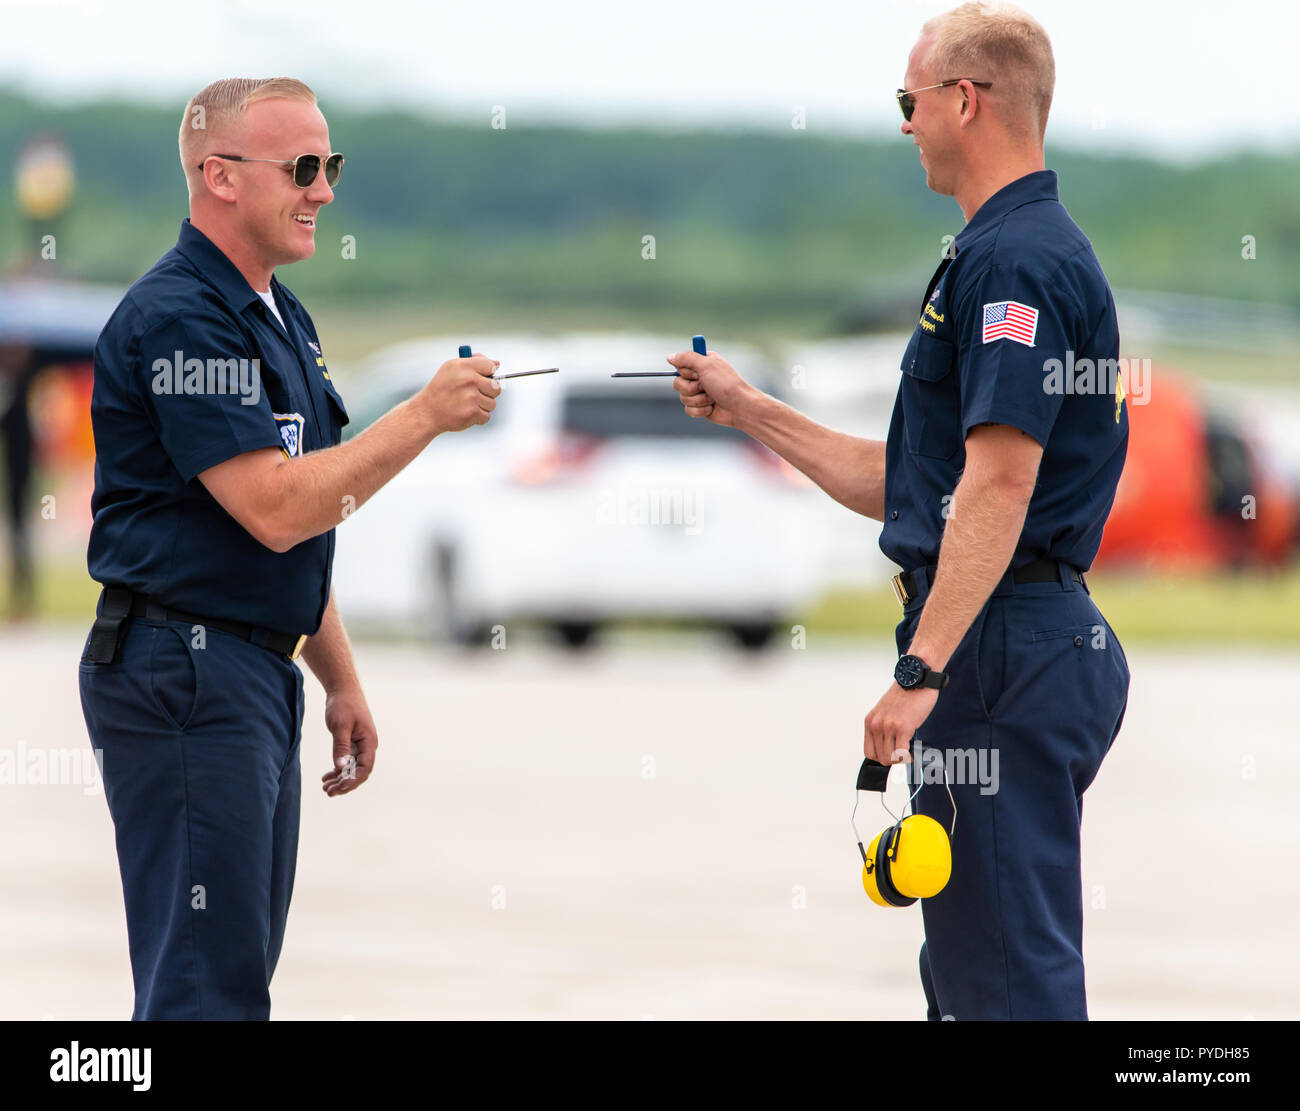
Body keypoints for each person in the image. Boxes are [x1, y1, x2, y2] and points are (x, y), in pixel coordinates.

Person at [669, 2, 1130, 1020]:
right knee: (974, 971)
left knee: (1003, 984)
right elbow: (927, 486)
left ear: (963, 100)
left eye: (907, 101)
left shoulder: (1012, 264)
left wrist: (921, 667)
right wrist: (750, 410)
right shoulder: (1001, 251)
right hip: (1014, 635)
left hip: (999, 644)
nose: (904, 123)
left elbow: (1000, 486)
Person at [78, 77, 501, 1020]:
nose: (325, 191)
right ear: (220, 178)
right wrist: (424, 416)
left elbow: (297, 525)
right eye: (304, 168)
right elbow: (272, 506)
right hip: (184, 670)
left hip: (249, 667)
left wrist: (336, 676)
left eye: (331, 165)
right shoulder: (182, 318)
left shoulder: (277, 314)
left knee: (233, 976)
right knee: (203, 990)